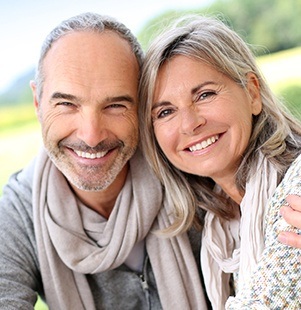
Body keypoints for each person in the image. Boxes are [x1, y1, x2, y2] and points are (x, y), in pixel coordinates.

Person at [0, 12, 210, 309]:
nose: (91, 135)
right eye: (67, 104)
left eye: (114, 105)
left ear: (141, 105)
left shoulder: (192, 170)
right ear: (38, 103)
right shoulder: (18, 215)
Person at [139, 15, 301, 309]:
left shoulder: (296, 185)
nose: (189, 124)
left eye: (204, 94)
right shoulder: (215, 228)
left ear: (252, 93)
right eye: (165, 112)